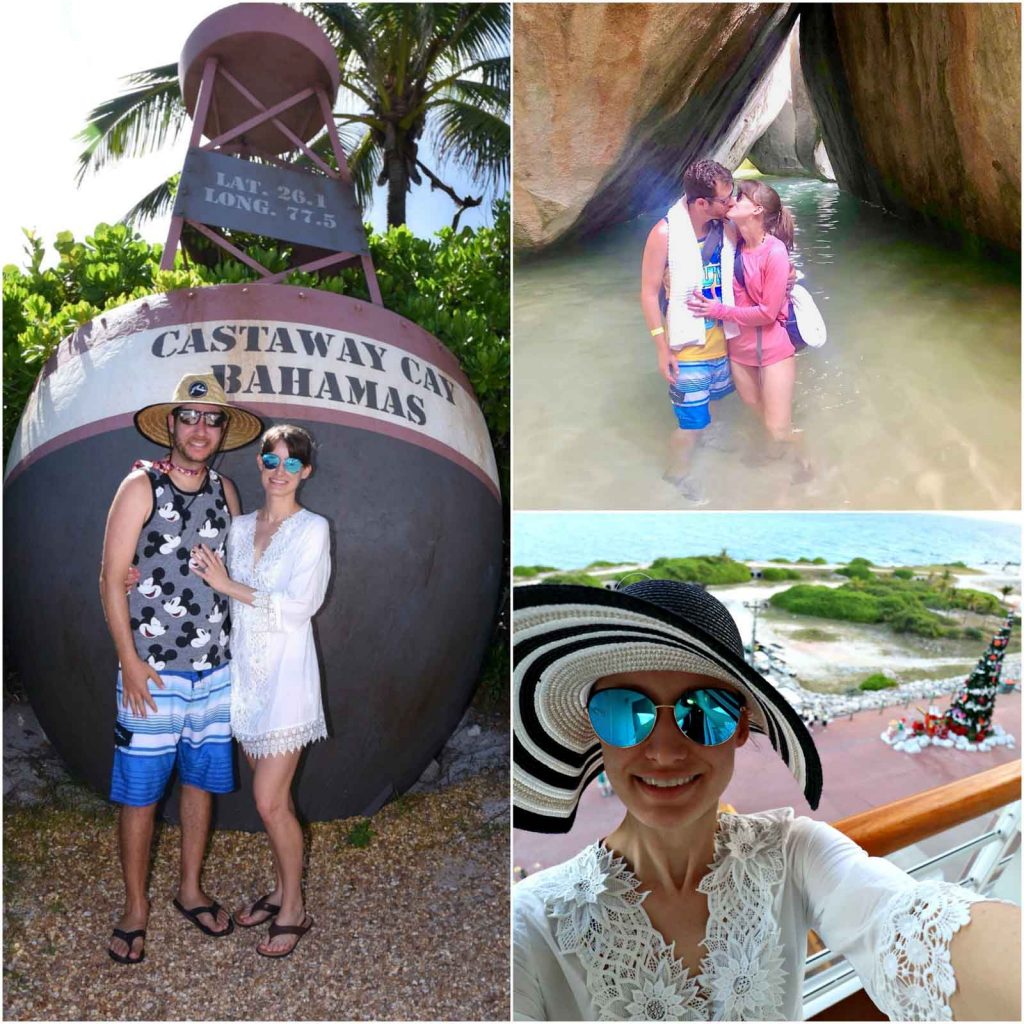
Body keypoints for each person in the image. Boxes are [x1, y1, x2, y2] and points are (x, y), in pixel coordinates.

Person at [512, 580, 1021, 1021]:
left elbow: (907, 921)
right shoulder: (529, 924)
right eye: (626, 710)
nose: (664, 751)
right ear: (595, 731)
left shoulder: (795, 855)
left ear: (739, 728)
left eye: (703, 710)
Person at [99, 372, 263, 964]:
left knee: (200, 783)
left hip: (215, 672)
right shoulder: (140, 485)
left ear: (223, 430)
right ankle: (134, 908)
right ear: (171, 424)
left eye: (212, 418)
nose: (200, 428)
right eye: (189, 417)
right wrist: (129, 662)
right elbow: (108, 578)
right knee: (140, 793)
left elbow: (236, 576)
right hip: (154, 673)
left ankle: (189, 889)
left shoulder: (227, 490)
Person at [191, 423, 331, 959]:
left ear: (306, 472)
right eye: (270, 462)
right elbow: (205, 584)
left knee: (269, 802)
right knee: (278, 803)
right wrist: (135, 575)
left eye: (291, 464)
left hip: (288, 680)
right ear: (259, 466)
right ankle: (278, 889)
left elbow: (301, 606)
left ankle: (294, 909)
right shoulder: (240, 525)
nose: (279, 472)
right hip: (244, 678)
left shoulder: (313, 529)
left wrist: (229, 586)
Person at [686, 179, 812, 480]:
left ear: (756, 209)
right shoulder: (730, 245)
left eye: (739, 197)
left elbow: (768, 313)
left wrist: (716, 310)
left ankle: (806, 457)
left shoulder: (775, 252)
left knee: (777, 428)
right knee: (761, 417)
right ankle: (774, 453)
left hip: (774, 351)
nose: (732, 201)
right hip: (739, 353)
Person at [640, 159, 740, 504]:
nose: (731, 204)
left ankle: (706, 442)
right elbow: (649, 292)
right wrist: (661, 347)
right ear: (701, 203)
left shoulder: (725, 227)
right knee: (689, 425)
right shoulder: (665, 234)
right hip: (688, 347)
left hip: (723, 341)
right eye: (724, 200)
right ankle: (677, 473)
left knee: (712, 406)